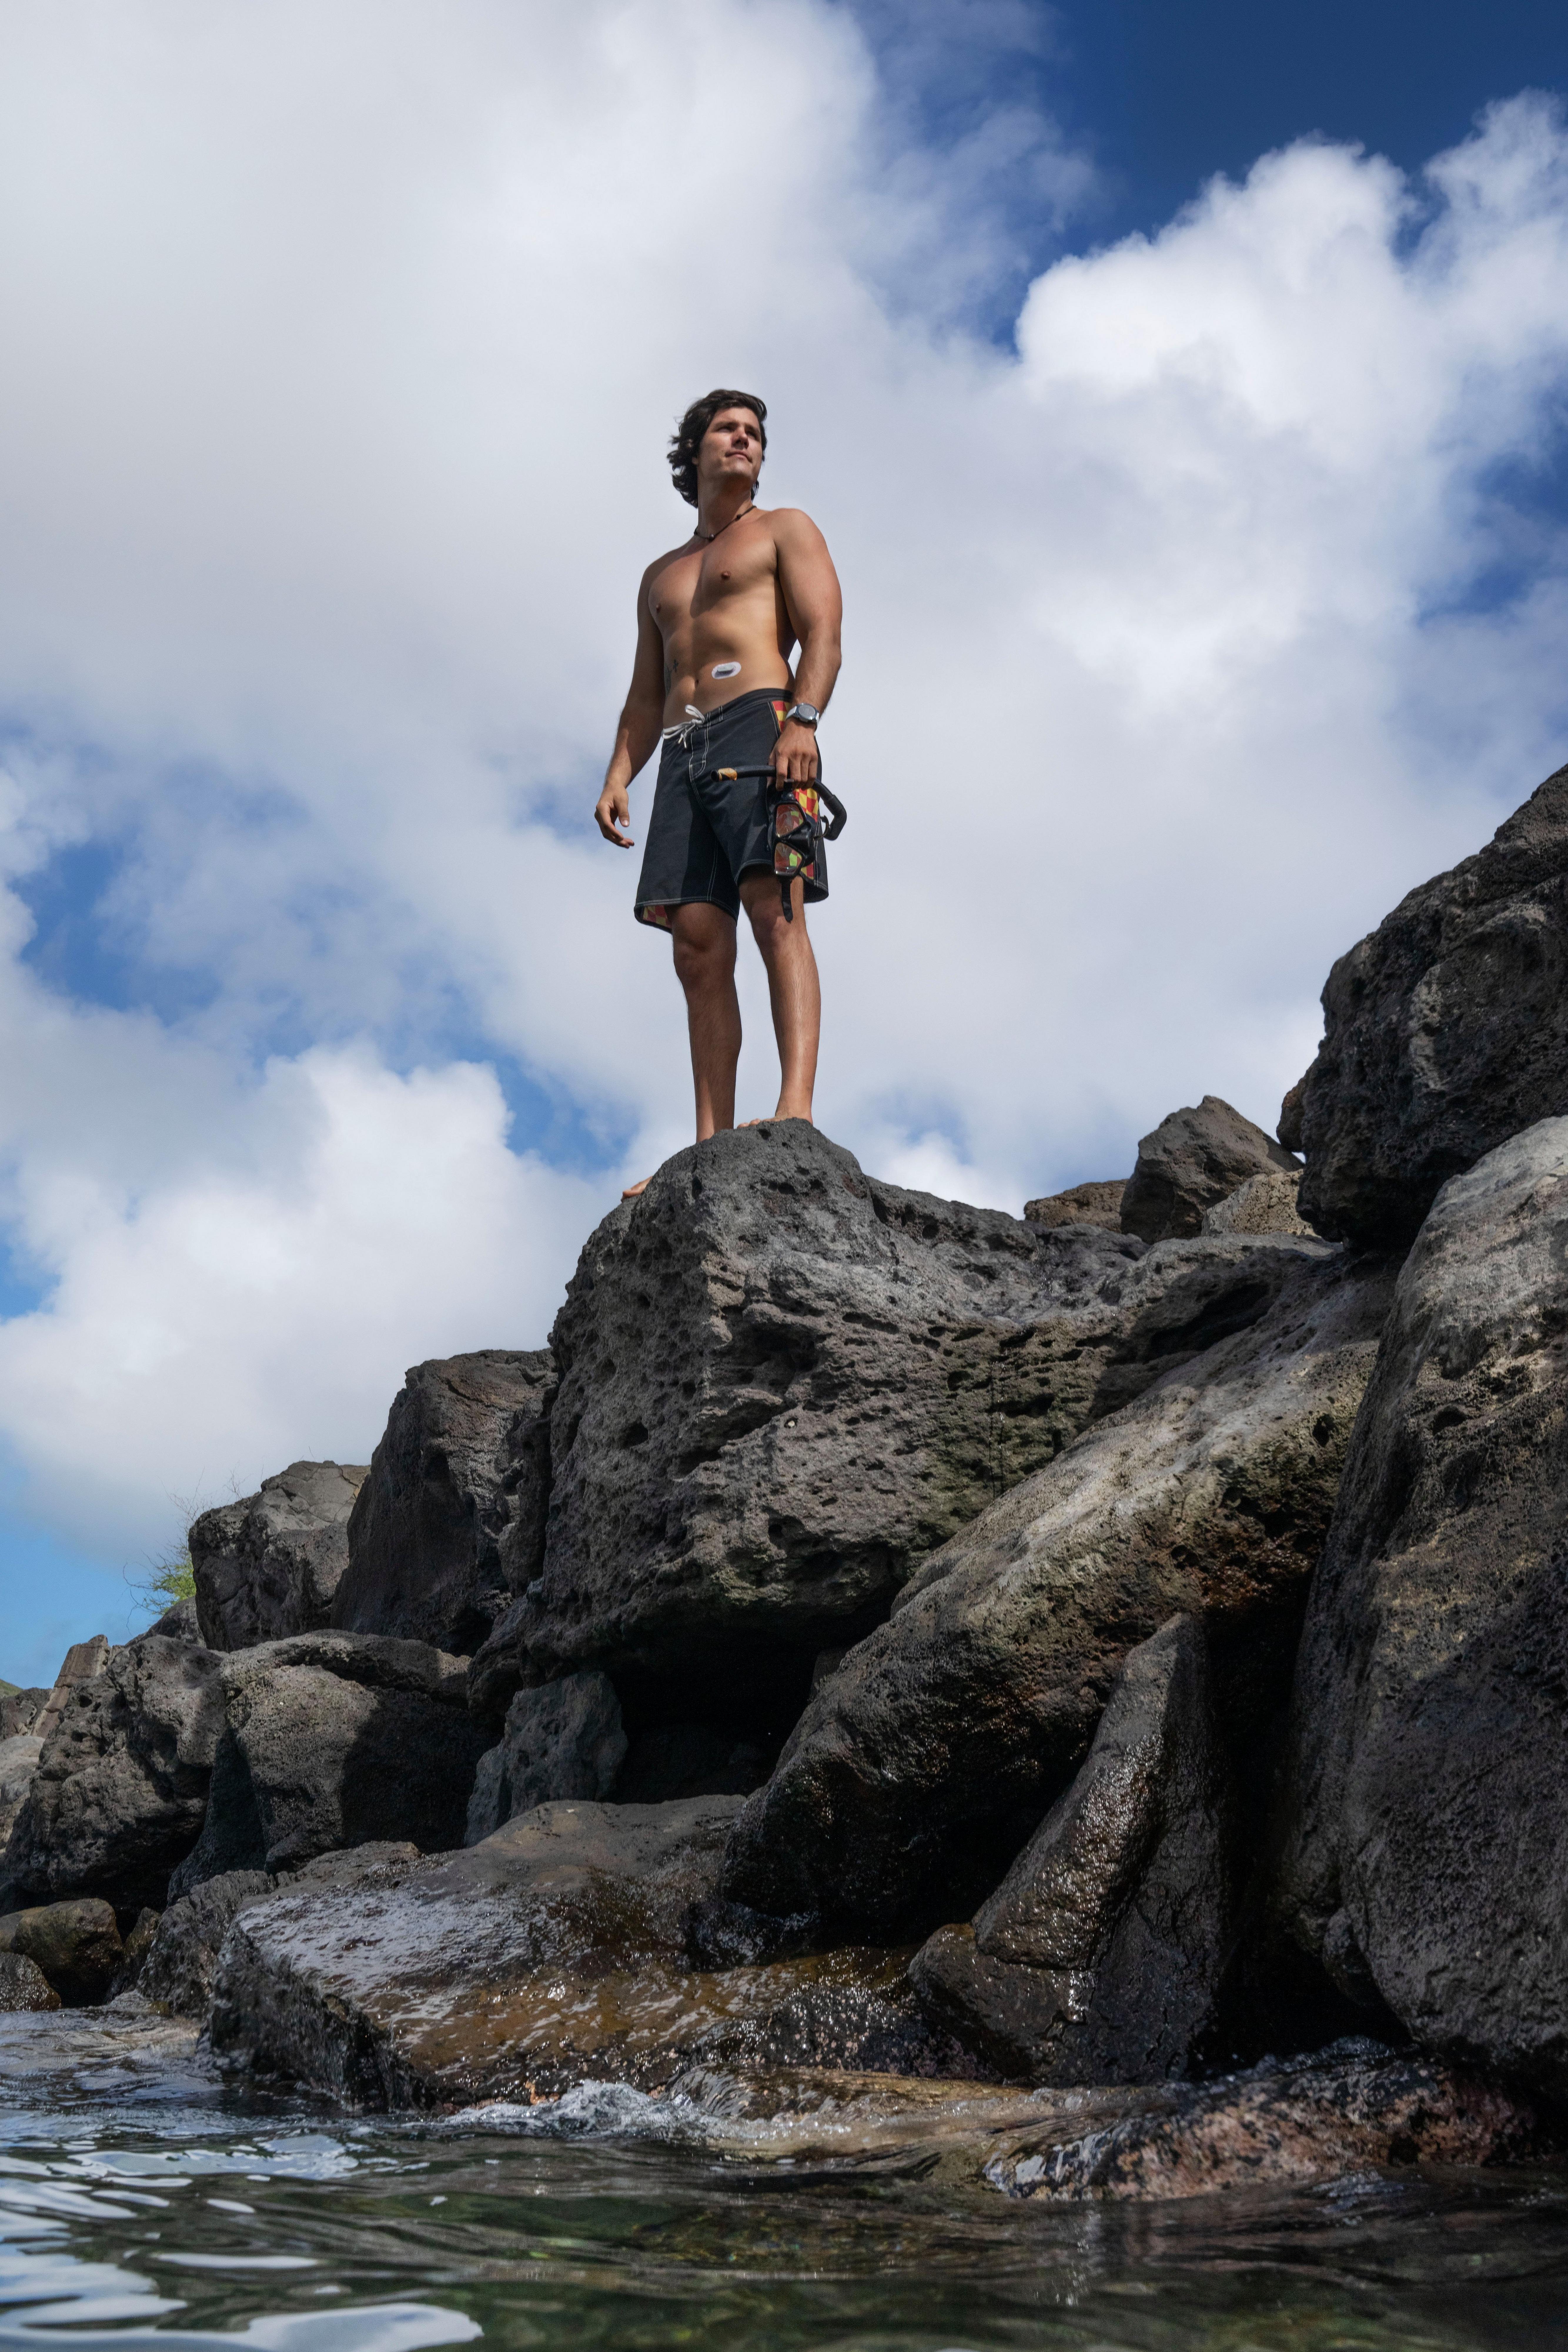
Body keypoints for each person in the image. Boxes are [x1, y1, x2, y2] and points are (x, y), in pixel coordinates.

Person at [595, 388, 843, 1197]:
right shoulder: (660, 576)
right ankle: (708, 1145)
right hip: (683, 750)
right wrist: (617, 774)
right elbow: (646, 691)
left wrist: (803, 724)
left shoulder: (785, 529)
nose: (746, 441)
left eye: (756, 434)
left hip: (763, 724)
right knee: (695, 945)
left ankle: (794, 1110)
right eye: (729, 430)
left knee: (778, 907)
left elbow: (825, 635)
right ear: (695, 451)